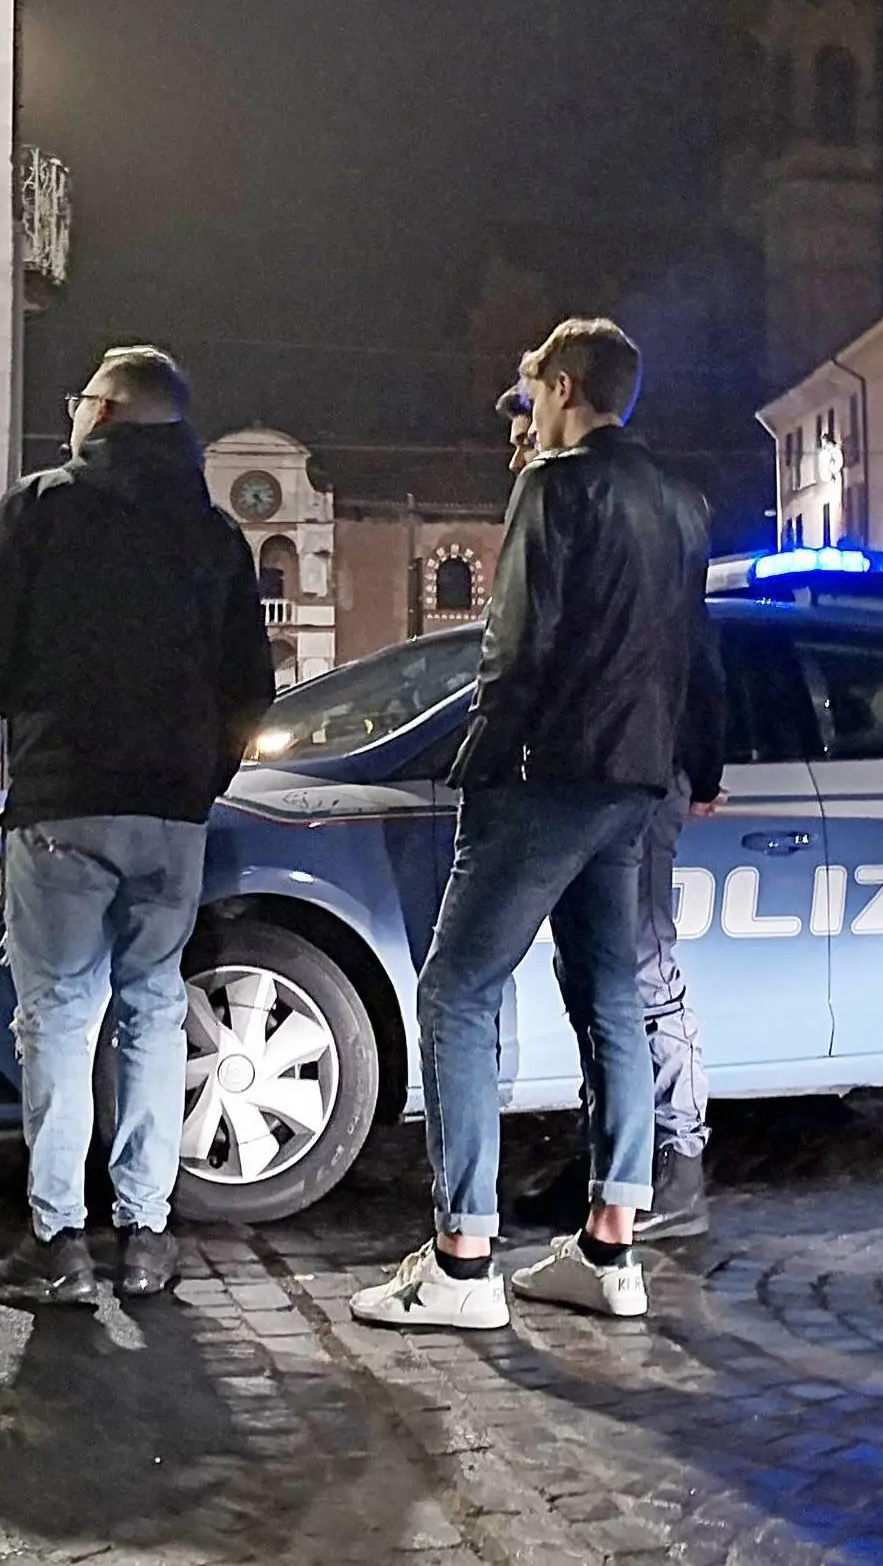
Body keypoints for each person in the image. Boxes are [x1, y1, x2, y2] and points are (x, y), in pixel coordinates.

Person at [351, 317, 715, 1332]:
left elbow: (517, 645)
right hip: (639, 779)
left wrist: (481, 757)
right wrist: (702, 763)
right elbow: (699, 650)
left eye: (532, 388)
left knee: (456, 989)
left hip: (547, 773)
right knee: (612, 996)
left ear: (561, 383)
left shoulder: (555, 487)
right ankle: (611, 1247)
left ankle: (464, 1259)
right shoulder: (682, 502)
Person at [0, 345, 274, 1305]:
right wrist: (200, 776)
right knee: (154, 1006)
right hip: (172, 811)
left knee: (57, 1013)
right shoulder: (215, 537)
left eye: (82, 396)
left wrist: (37, 722)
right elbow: (247, 688)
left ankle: (58, 1238)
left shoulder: (41, 509)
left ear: (108, 414)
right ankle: (146, 1232)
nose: (73, 411)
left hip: (65, 797)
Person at [496, 382, 727, 1241]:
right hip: (629, 764)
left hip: (618, 767)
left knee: (636, 968)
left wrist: (700, 764)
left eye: (526, 421)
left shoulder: (593, 499)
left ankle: (671, 1160)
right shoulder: (645, 505)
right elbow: (694, 647)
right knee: (600, 970)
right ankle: (617, 1164)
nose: (517, 441)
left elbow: (540, 648)